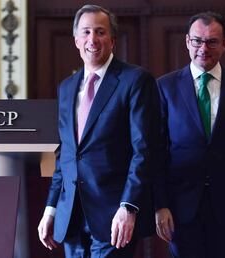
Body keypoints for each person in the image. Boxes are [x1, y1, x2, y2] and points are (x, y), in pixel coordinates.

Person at [37, 4, 158, 257]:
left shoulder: (135, 80)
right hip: (72, 218)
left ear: (112, 40)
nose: (93, 39)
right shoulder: (66, 88)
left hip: (114, 217)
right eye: (87, 32)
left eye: (100, 32)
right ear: (76, 40)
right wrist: (51, 209)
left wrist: (129, 206)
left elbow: (144, 150)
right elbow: (65, 157)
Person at [154, 11, 225, 258]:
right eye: (197, 41)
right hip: (180, 207)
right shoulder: (165, 87)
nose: (204, 48)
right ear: (187, 42)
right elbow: (157, 151)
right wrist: (160, 205)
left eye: (212, 41)